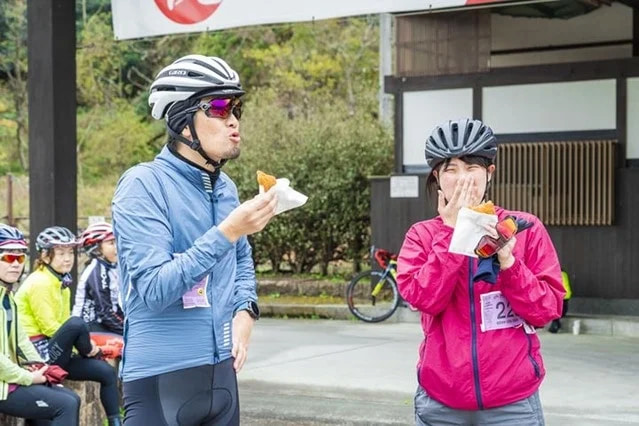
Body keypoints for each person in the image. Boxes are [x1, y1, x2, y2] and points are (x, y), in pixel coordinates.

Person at [112, 54, 277, 426]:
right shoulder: (142, 184)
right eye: (218, 107)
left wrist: (246, 310)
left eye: (236, 107)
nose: (233, 119)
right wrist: (228, 231)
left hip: (221, 377)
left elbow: (242, 263)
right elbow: (154, 289)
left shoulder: (226, 188)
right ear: (183, 121)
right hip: (161, 379)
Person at [396, 118, 565, 426]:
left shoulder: (523, 227)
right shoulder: (421, 235)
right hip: (440, 404)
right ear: (437, 176)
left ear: (489, 173)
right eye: (451, 169)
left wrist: (509, 262)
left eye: (472, 168)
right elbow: (424, 300)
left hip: (513, 404)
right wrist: (448, 232)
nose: (463, 179)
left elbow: (547, 309)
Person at [14, 226, 122, 426]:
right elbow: (51, 327)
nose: (68, 258)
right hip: (36, 355)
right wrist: (90, 348)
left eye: (70, 252)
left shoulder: (60, 281)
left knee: (105, 372)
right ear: (45, 256)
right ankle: (92, 351)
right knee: (76, 323)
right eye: (61, 253)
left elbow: (62, 326)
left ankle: (116, 422)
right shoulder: (40, 282)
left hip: (54, 349)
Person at [0, 223, 81, 425]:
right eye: (9, 257)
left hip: (8, 379)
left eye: (20, 257)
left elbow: (21, 342)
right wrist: (28, 378)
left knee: (70, 398)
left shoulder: (8, 298)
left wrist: (44, 370)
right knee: (66, 405)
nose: (16, 264)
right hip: (4, 383)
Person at [73, 221, 124, 357]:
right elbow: (105, 311)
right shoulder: (97, 271)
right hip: (90, 327)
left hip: (103, 325)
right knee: (128, 346)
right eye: (111, 243)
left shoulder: (110, 267)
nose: (117, 247)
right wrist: (128, 329)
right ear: (97, 248)